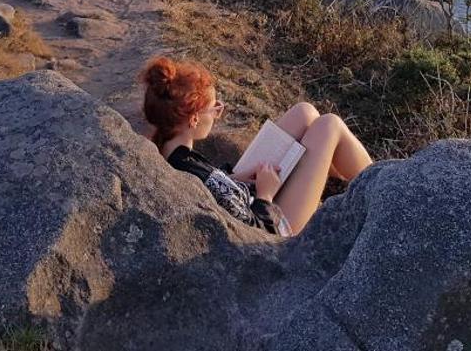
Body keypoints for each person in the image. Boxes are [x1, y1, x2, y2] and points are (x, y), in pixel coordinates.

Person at [139, 56, 373, 236]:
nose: (219, 112)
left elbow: (213, 188)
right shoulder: (187, 169)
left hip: (247, 194)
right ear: (194, 119)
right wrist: (265, 194)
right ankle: (387, 186)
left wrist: (235, 178)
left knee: (305, 112)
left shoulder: (174, 154)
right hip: (275, 229)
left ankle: (338, 174)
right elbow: (254, 232)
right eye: (215, 108)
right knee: (329, 126)